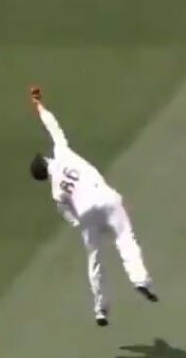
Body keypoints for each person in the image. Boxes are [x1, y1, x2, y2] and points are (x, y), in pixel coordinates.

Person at [27, 86, 157, 326]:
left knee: (95, 259)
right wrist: (38, 104)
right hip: (107, 198)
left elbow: (67, 214)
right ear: (46, 160)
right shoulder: (62, 153)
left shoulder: (56, 190)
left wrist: (81, 223)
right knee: (125, 240)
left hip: (86, 214)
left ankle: (101, 309)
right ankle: (140, 281)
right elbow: (53, 126)